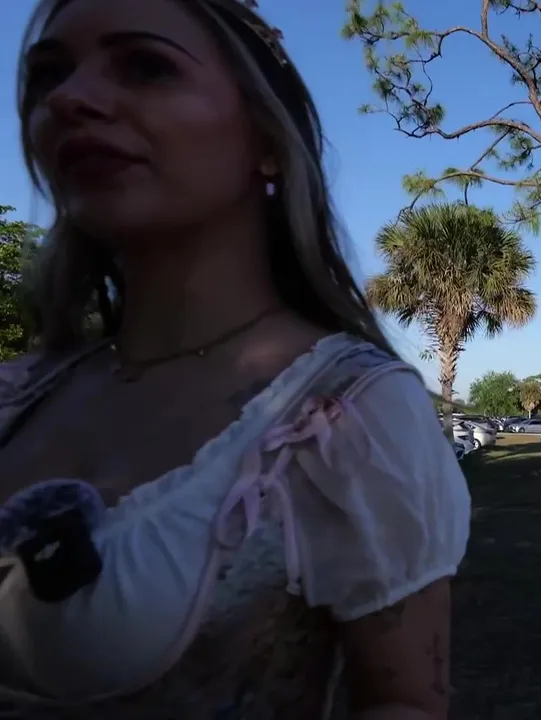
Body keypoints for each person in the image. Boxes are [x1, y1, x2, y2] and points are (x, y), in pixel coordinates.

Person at [0, 0, 469, 717]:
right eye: (48, 76)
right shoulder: (20, 389)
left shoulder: (344, 413)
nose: (69, 99)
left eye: (145, 66)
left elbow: (404, 701)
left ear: (267, 140)